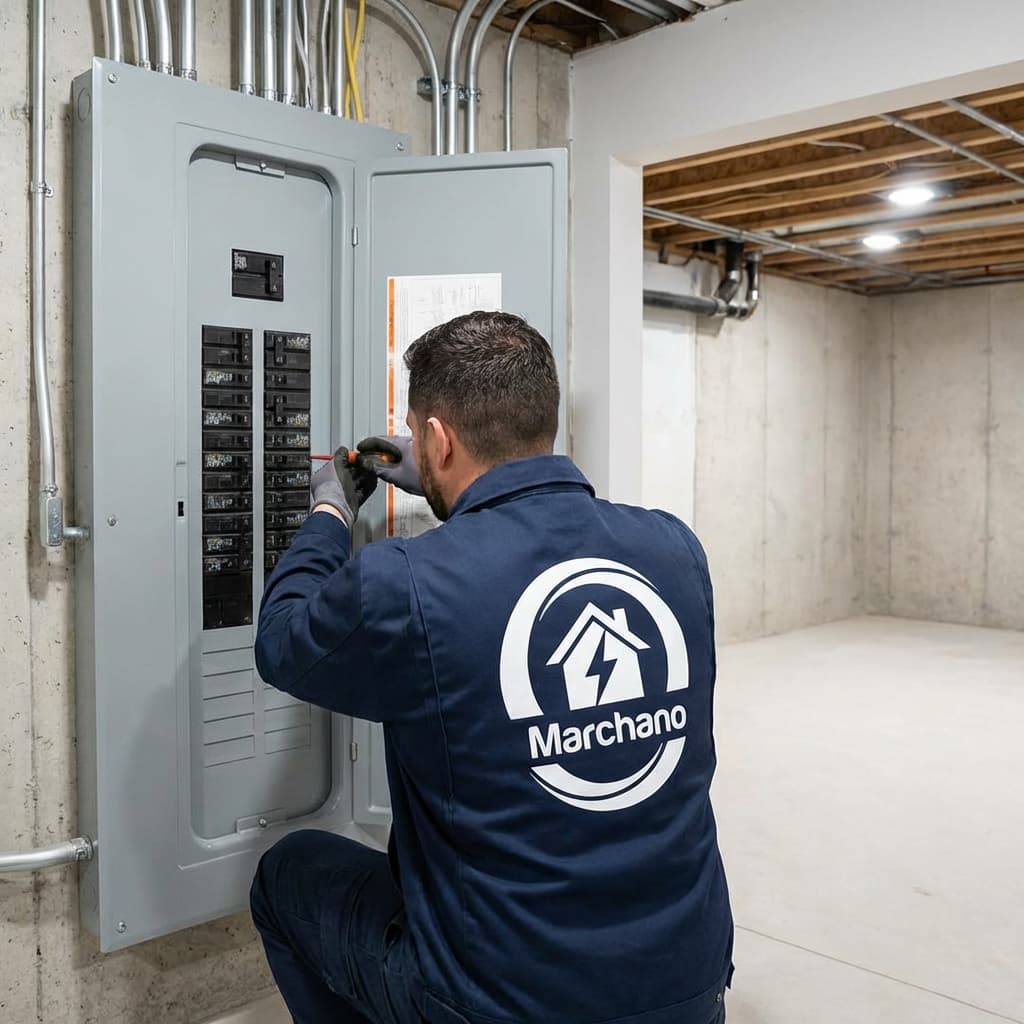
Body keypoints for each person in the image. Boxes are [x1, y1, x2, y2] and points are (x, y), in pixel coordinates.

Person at [250, 311, 733, 1024]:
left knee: (287, 874)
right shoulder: (673, 549)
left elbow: (283, 639)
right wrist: (456, 491)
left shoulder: (405, 583)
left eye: (419, 434)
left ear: (437, 439)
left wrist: (328, 511)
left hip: (502, 1005)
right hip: (687, 990)